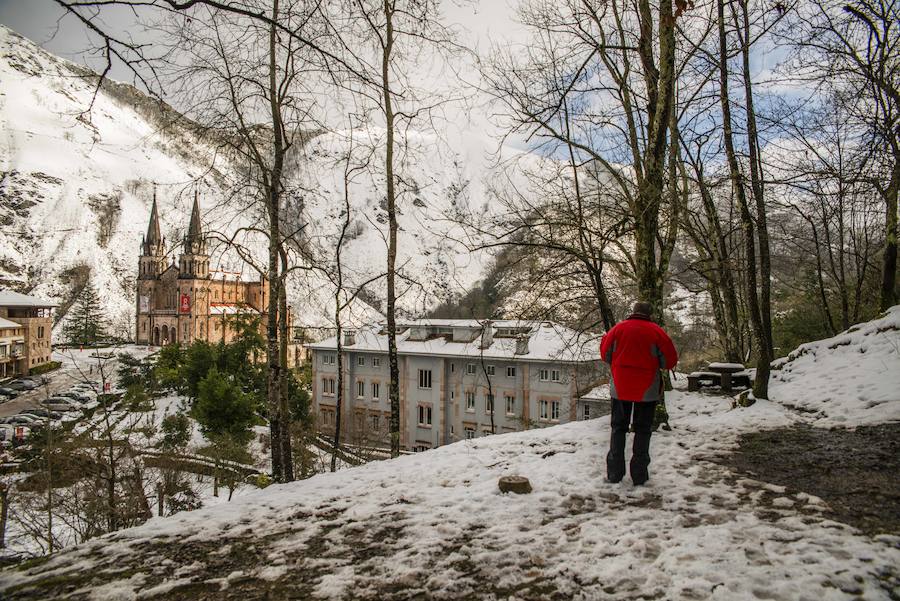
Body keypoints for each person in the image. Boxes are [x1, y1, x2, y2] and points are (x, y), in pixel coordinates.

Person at [600, 301, 678, 485]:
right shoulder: (657, 332)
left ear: (633, 312)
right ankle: (639, 474)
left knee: (618, 428)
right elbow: (669, 361)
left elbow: (605, 354)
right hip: (647, 389)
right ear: (649, 314)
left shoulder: (618, 329)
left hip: (621, 386)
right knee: (643, 430)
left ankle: (614, 473)